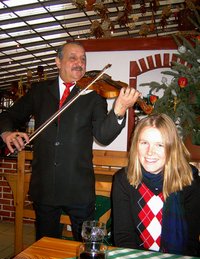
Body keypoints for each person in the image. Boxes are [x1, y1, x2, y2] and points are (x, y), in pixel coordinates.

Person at [0, 42, 140, 241]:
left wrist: (119, 110)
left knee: (86, 244)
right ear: (58, 62)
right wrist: (7, 134)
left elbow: (103, 136)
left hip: (79, 188)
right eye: (73, 57)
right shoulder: (40, 91)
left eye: (83, 59)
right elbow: (8, 116)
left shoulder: (93, 95)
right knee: (46, 246)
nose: (80, 63)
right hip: (45, 185)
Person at [112, 113, 200, 257]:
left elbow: (191, 242)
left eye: (160, 145)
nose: (150, 152)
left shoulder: (190, 182)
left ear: (172, 148)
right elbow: (124, 238)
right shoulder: (123, 180)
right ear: (136, 145)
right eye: (144, 143)